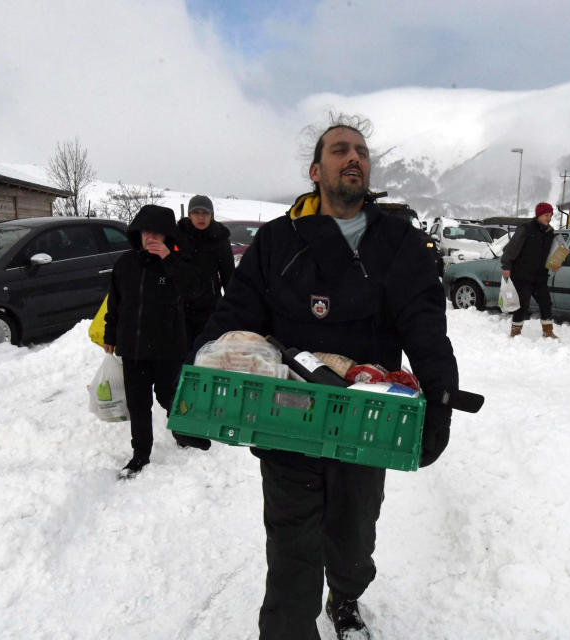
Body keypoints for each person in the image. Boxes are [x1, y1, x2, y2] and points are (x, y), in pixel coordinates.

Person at [191, 120, 459, 639]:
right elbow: (235, 319)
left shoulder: (399, 242)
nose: (353, 157)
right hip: (288, 417)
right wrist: (199, 374)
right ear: (316, 171)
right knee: (291, 553)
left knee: (354, 539)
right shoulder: (277, 241)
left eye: (361, 151)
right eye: (340, 150)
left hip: (367, 421)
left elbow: (425, 324)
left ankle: (346, 594)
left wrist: (441, 397)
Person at [102, 204, 200, 478]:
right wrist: (111, 335)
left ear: (168, 236)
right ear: (139, 233)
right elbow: (115, 303)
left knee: (170, 396)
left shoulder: (178, 263)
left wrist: (169, 259)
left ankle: (183, 432)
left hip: (168, 347)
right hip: (133, 348)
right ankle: (140, 455)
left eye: (159, 233)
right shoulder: (125, 264)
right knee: (138, 403)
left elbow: (193, 290)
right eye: (147, 232)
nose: (152, 238)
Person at [177, 195, 234, 343]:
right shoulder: (179, 237)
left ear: (211, 215)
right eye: (196, 213)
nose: (201, 217)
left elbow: (229, 276)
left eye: (205, 213)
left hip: (209, 307)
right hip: (180, 307)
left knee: (205, 351)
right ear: (189, 215)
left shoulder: (220, 240)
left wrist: (232, 308)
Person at [500, 202, 560, 339]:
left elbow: (551, 253)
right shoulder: (526, 229)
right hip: (522, 275)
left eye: (550, 215)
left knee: (546, 303)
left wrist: (555, 263)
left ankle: (548, 330)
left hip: (540, 276)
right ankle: (515, 332)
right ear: (538, 215)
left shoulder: (549, 233)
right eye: (546, 215)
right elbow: (512, 248)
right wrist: (506, 266)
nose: (549, 218)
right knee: (522, 305)